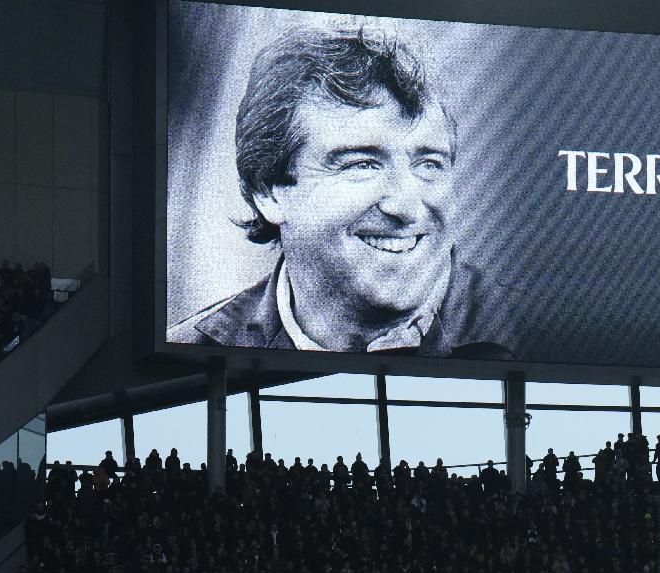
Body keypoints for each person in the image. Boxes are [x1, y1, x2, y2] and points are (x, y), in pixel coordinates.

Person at [169, 29, 513, 358]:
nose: (407, 205)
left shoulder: (540, 337)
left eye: (428, 164)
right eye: (362, 165)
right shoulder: (189, 354)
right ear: (268, 191)